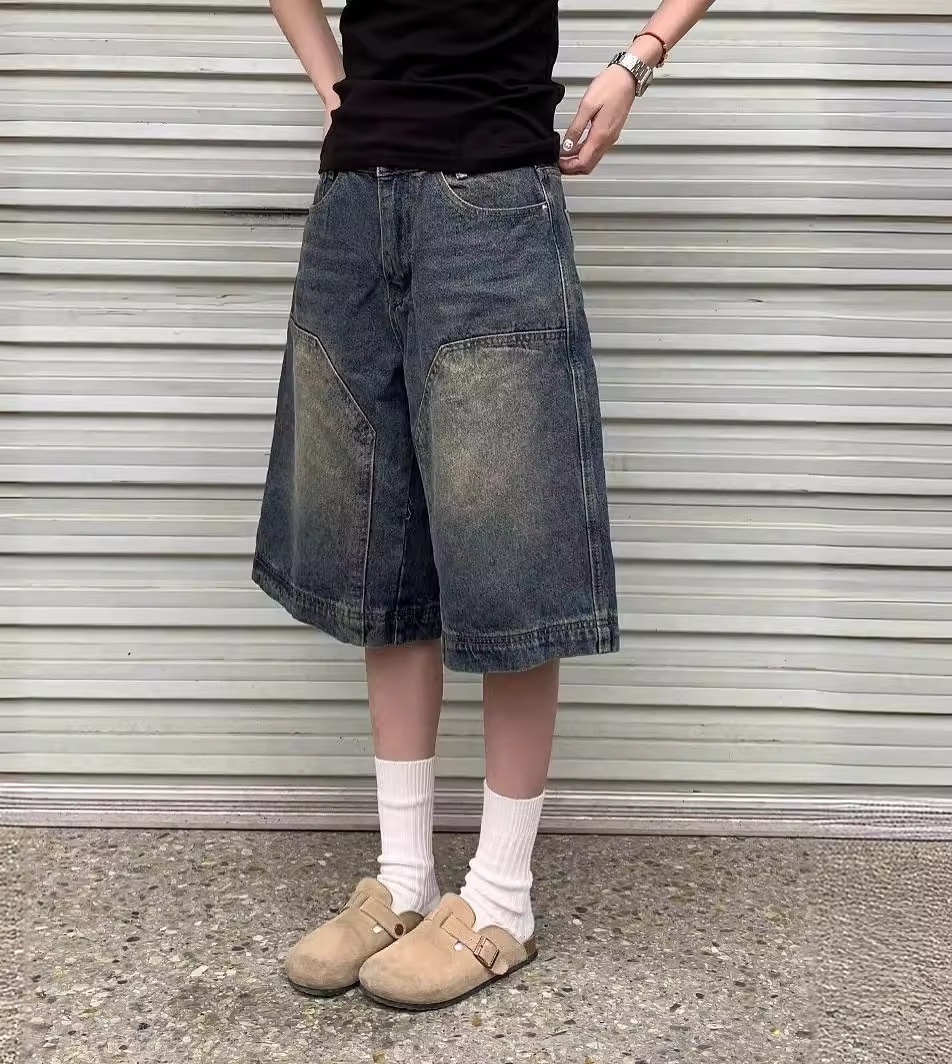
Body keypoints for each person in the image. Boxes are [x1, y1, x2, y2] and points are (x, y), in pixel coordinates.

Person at [254, 0, 713, 1011]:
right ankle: (403, 880)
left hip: (493, 198)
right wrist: (335, 90)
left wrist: (636, 63)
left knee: (509, 548)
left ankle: (502, 898)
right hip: (354, 200)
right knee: (378, 545)